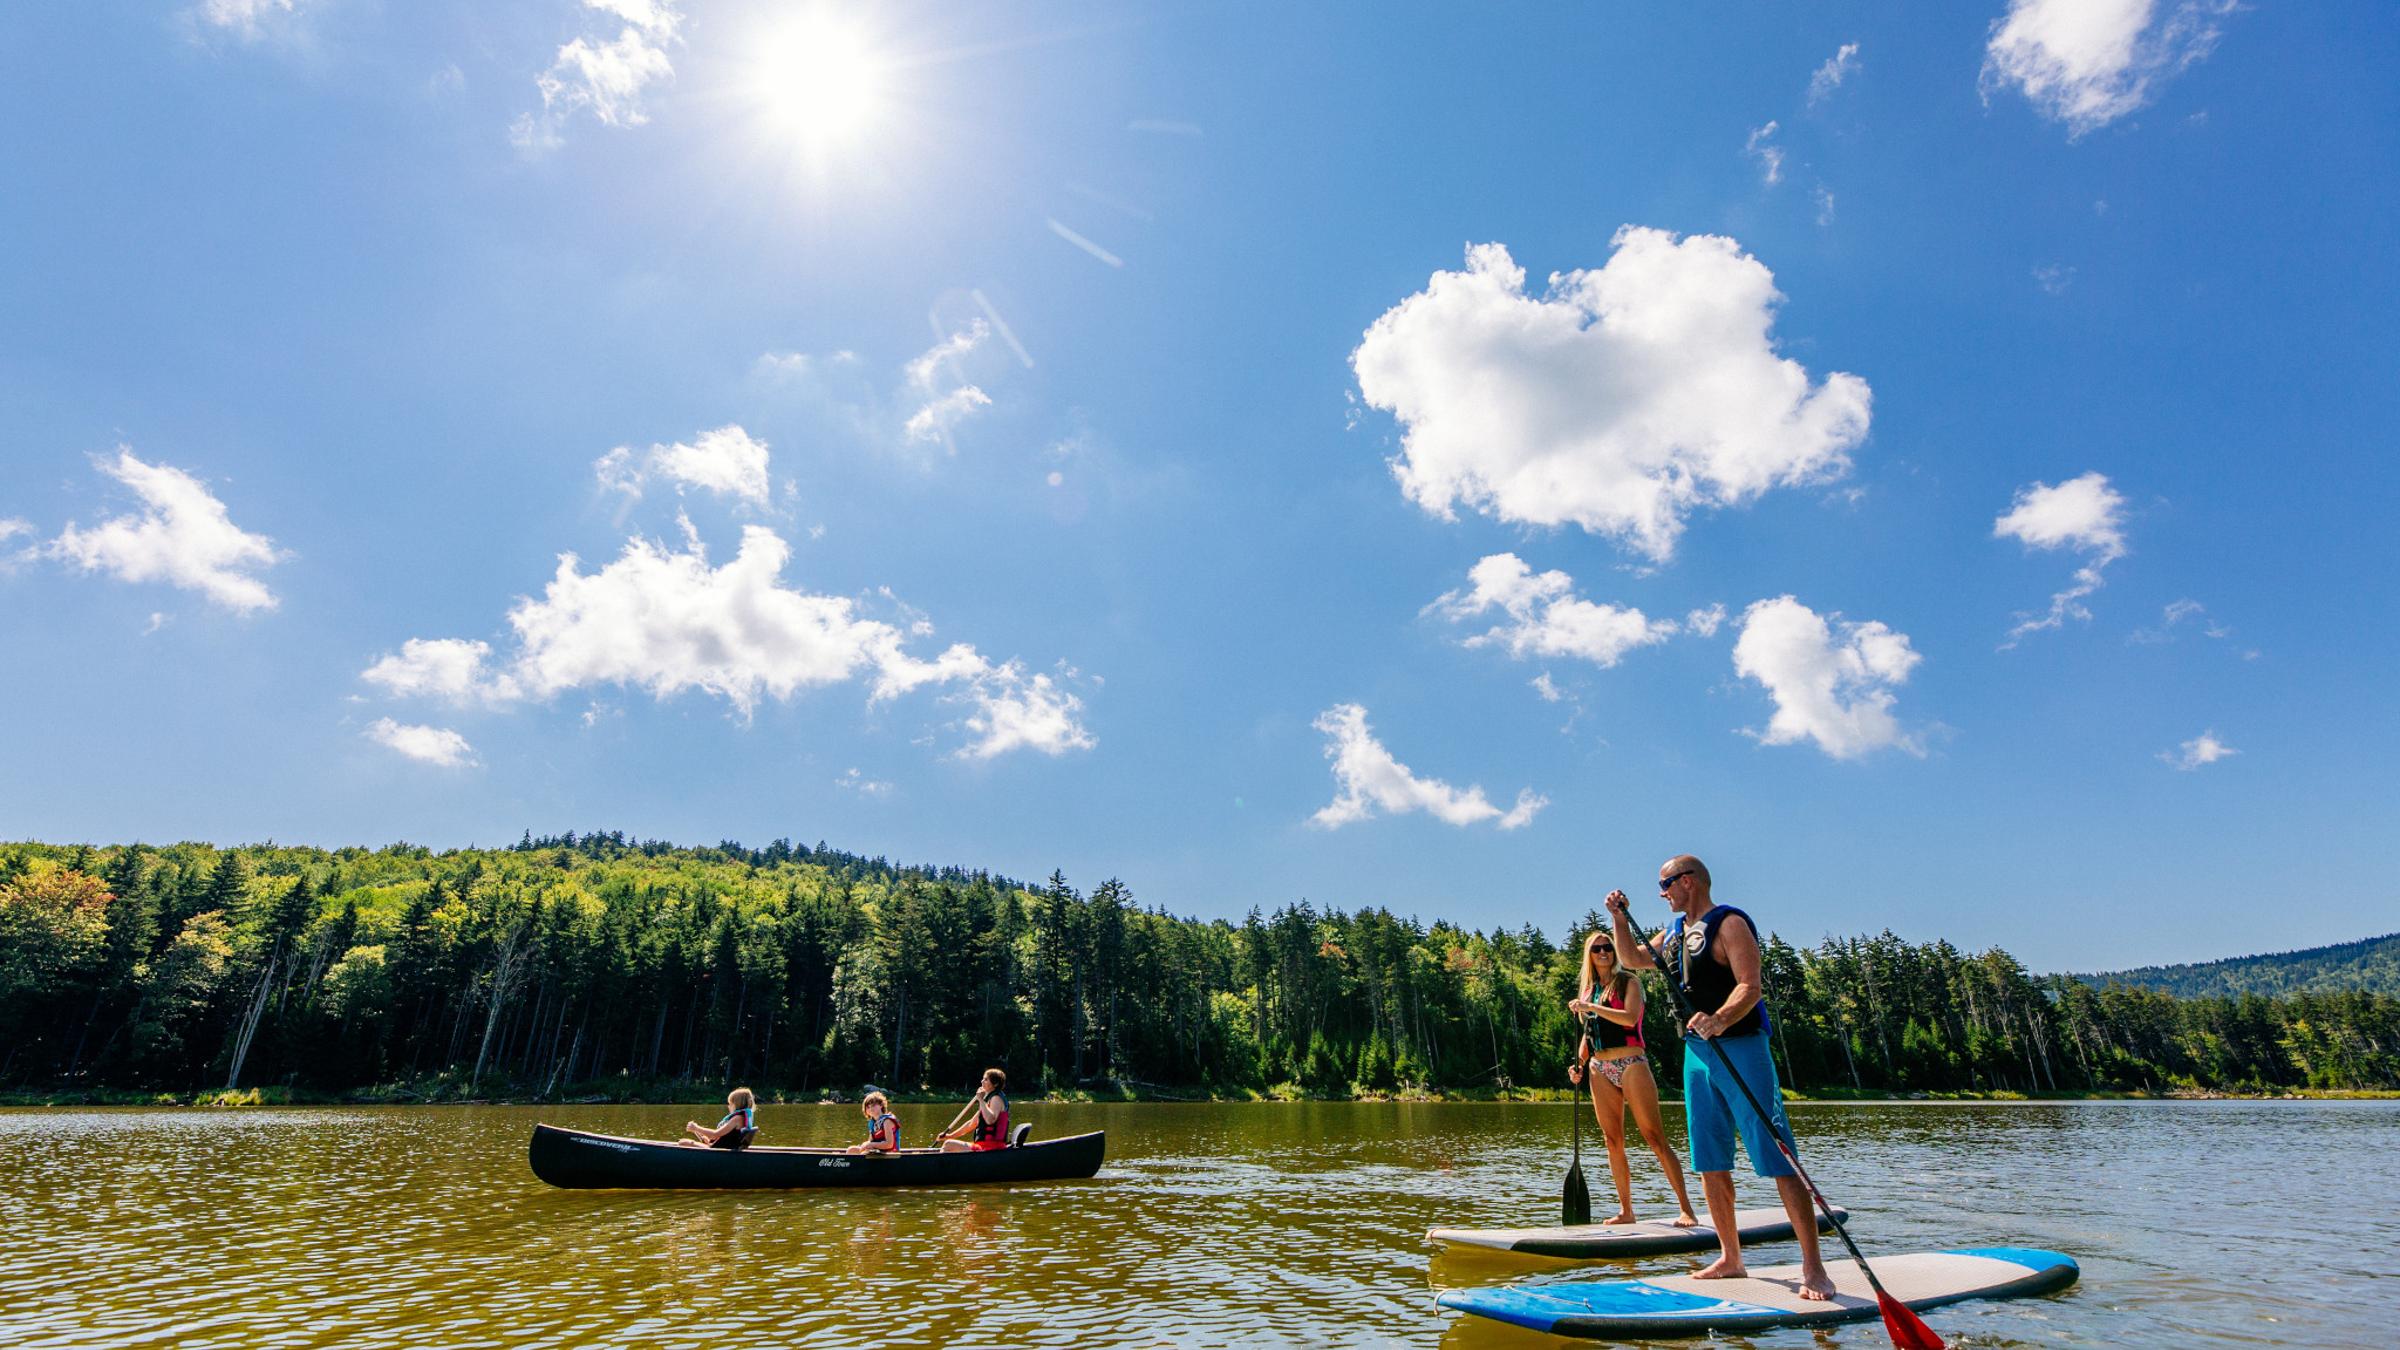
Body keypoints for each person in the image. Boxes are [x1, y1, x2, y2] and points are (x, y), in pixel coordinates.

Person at [1608, 857, 1834, 1300]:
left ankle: (1814, 1267)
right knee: (1710, 1159)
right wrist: (1618, 919)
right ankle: (1731, 1258)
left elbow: (1750, 985)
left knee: (1775, 1156)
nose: (1662, 893)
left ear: (1687, 882)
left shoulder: (1728, 924)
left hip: (1742, 1049)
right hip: (1697, 1055)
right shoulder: (1674, 933)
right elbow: (1632, 958)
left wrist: (1720, 1019)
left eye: (1666, 884)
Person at [1567, 930, 1699, 1228]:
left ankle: (1686, 1209)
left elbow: (1628, 1018)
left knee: (1654, 1137)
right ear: (1589, 955)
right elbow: (1589, 1036)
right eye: (1597, 949)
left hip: (1631, 1063)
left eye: (1608, 948)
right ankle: (1626, 1211)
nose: (1604, 953)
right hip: (1599, 1068)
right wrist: (1578, 1064)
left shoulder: (1630, 982)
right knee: (1612, 1140)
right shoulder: (1588, 991)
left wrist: (1589, 1008)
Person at [937, 1068, 1010, 1152]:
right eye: (983, 1078)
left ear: (996, 1084)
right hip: (983, 1146)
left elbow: (990, 1120)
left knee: (948, 1144)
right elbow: (972, 1124)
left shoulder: (996, 1098)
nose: (982, 1081)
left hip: (992, 1147)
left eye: (986, 1079)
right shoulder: (988, 1100)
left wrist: (981, 1100)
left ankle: (938, 1164)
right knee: (949, 1142)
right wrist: (950, 1136)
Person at [680, 1086, 758, 1150]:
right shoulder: (742, 1118)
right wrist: (698, 1132)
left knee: (682, 1143)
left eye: (730, 1103)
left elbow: (715, 1134)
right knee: (688, 1142)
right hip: (721, 1148)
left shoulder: (737, 1119)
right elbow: (721, 1137)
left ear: (737, 1104)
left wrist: (696, 1128)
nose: (728, 1106)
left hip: (721, 1151)